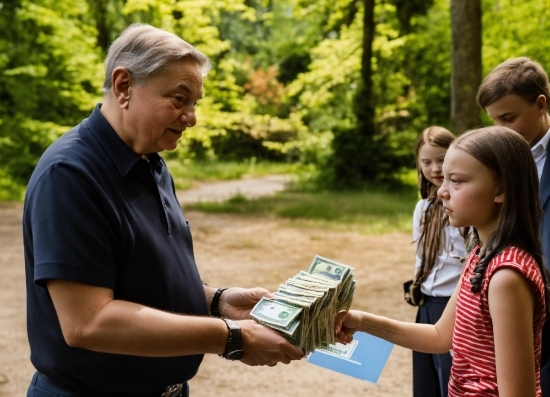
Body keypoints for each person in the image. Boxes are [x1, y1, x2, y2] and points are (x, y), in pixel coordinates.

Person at [23, 23, 304, 397]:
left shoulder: (150, 161)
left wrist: (217, 301)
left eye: (194, 104)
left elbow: (138, 277)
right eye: (178, 99)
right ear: (123, 87)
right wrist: (233, 337)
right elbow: (89, 321)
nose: (191, 117)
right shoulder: (70, 174)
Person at [335, 126, 550, 396]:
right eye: (444, 180)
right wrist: (363, 321)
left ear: (502, 189)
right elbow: (439, 336)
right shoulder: (481, 256)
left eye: (456, 181)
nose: (441, 192)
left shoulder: (506, 275)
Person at [476, 56, 550, 395]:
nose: (501, 130)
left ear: (540, 104)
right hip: (512, 309)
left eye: (509, 118)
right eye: (494, 121)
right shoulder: (495, 160)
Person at [408, 126, 466, 397]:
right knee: (426, 380)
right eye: (426, 162)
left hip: (453, 305)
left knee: (450, 379)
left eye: (441, 160)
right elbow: (421, 256)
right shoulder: (423, 207)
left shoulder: (464, 204)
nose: (434, 168)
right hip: (427, 304)